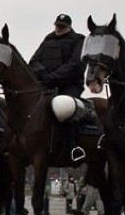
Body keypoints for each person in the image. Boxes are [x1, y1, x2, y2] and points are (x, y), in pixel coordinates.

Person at [29, 14, 87, 160]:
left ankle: (74, 147)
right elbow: (34, 61)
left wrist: (54, 77)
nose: (58, 29)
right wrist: (43, 74)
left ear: (69, 27)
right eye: (57, 26)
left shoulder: (78, 40)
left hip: (69, 85)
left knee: (66, 109)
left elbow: (75, 64)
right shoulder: (48, 39)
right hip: (47, 84)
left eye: (62, 26)